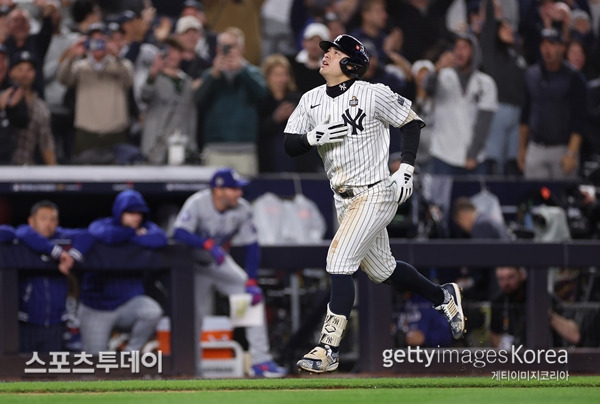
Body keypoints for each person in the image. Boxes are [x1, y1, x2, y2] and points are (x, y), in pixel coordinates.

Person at [283, 34, 465, 374]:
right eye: (328, 51)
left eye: (334, 53)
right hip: (343, 198)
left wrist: (407, 170)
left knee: (338, 261)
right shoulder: (310, 99)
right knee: (383, 271)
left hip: (376, 191)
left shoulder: (372, 92)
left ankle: (328, 348)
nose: (326, 56)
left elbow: (411, 122)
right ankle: (443, 297)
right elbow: (289, 144)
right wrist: (312, 138)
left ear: (351, 64)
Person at [172, 168, 287, 378]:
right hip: (193, 267)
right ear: (218, 190)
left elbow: (252, 245)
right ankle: (192, 370)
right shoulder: (197, 202)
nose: (239, 193)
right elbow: (179, 232)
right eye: (234, 189)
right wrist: (205, 243)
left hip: (219, 263)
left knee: (251, 296)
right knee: (194, 318)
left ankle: (260, 362)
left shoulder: (242, 209)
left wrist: (251, 280)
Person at [81, 189, 164, 354]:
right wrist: (133, 234)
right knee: (95, 365)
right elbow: (103, 234)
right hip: (98, 308)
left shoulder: (147, 227)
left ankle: (130, 354)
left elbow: (160, 238)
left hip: (128, 304)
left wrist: (130, 236)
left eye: (139, 213)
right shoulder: (103, 224)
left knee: (152, 311)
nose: (136, 217)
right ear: (119, 212)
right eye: (131, 212)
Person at [15, 200, 94, 353]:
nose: (48, 223)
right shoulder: (25, 237)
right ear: (32, 221)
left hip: (56, 322)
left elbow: (88, 234)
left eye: (52, 219)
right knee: (22, 371)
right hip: (26, 321)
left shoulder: (63, 238)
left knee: (52, 372)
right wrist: (56, 253)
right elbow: (22, 231)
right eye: (43, 218)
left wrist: (71, 256)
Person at [194, 27, 268, 177]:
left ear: (242, 49)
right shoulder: (210, 74)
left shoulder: (252, 72)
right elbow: (198, 101)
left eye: (231, 46)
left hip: (245, 147)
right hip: (215, 147)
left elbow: (262, 96)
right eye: (223, 46)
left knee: (247, 192)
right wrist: (214, 75)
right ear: (217, 48)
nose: (227, 50)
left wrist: (242, 70)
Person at [57, 22, 134, 163]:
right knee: (85, 179)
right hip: (86, 134)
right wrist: (71, 56)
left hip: (116, 132)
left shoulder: (122, 64)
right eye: (93, 40)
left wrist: (117, 57)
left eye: (101, 40)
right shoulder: (80, 67)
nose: (97, 44)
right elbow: (63, 79)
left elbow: (129, 81)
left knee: (117, 180)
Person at [517, 28, 587, 179]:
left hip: (563, 149)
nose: (547, 49)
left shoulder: (574, 77)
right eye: (543, 44)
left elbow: (580, 119)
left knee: (563, 200)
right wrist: (522, 149)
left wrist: (571, 153)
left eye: (552, 44)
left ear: (562, 47)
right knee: (534, 198)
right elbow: (525, 114)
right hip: (536, 147)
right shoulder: (531, 74)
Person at [425, 32, 498, 175]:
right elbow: (427, 88)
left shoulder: (485, 83)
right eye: (457, 47)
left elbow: (484, 123)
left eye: (464, 47)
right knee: (438, 198)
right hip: (442, 153)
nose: (459, 52)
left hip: (474, 157)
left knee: (473, 198)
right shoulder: (443, 75)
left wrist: (473, 154)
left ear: (474, 51)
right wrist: (436, 69)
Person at [490, 266, 581, 348]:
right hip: (514, 358)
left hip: (546, 356)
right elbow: (495, 336)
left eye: (510, 277)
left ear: (522, 275)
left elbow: (574, 336)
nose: (506, 284)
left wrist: (548, 315)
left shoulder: (542, 297)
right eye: (501, 279)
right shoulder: (498, 302)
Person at [140, 36, 197, 164]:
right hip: (155, 142)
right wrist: (153, 73)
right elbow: (144, 96)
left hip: (179, 142)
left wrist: (192, 145)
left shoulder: (187, 82)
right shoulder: (154, 77)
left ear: (181, 54)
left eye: (175, 50)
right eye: (168, 50)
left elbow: (191, 115)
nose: (171, 54)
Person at [10, 50, 56, 166]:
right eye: (20, 69)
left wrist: (56, 176)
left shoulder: (40, 107)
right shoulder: (4, 98)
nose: (25, 74)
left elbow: (46, 143)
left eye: (29, 69)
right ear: (11, 72)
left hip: (25, 168)